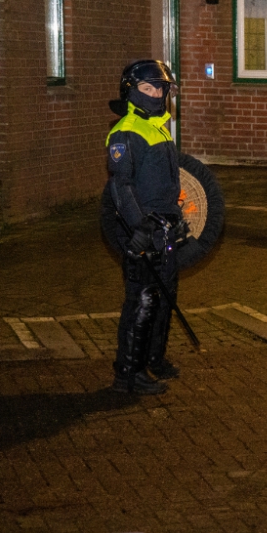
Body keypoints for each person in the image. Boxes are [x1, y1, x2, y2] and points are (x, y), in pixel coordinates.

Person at [106, 59, 185, 395]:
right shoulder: (125, 132)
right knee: (142, 300)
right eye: (148, 87)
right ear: (130, 91)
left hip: (164, 228)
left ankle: (153, 359)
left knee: (164, 296)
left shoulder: (158, 126)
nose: (156, 93)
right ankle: (128, 373)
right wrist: (139, 228)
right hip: (141, 231)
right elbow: (120, 187)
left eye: (160, 88)